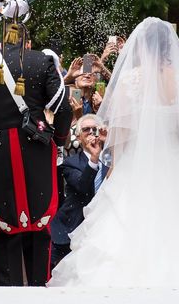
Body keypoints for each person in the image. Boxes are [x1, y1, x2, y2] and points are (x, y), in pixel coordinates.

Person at [48, 17, 179, 287]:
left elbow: (119, 138)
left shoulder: (131, 80)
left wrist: (112, 173)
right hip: (174, 169)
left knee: (125, 230)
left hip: (135, 169)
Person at [0, 23, 72, 286]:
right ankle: (38, 289)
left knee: (3, 227)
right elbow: (63, 109)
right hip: (37, 153)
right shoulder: (42, 61)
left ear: (0, 42)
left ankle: (7, 293)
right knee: (39, 224)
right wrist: (56, 139)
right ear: (28, 43)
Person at [50, 114, 108, 268]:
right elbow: (82, 187)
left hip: (105, 226)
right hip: (73, 229)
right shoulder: (71, 163)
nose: (90, 132)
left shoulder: (112, 160)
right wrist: (94, 158)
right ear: (78, 136)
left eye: (94, 129)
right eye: (86, 129)